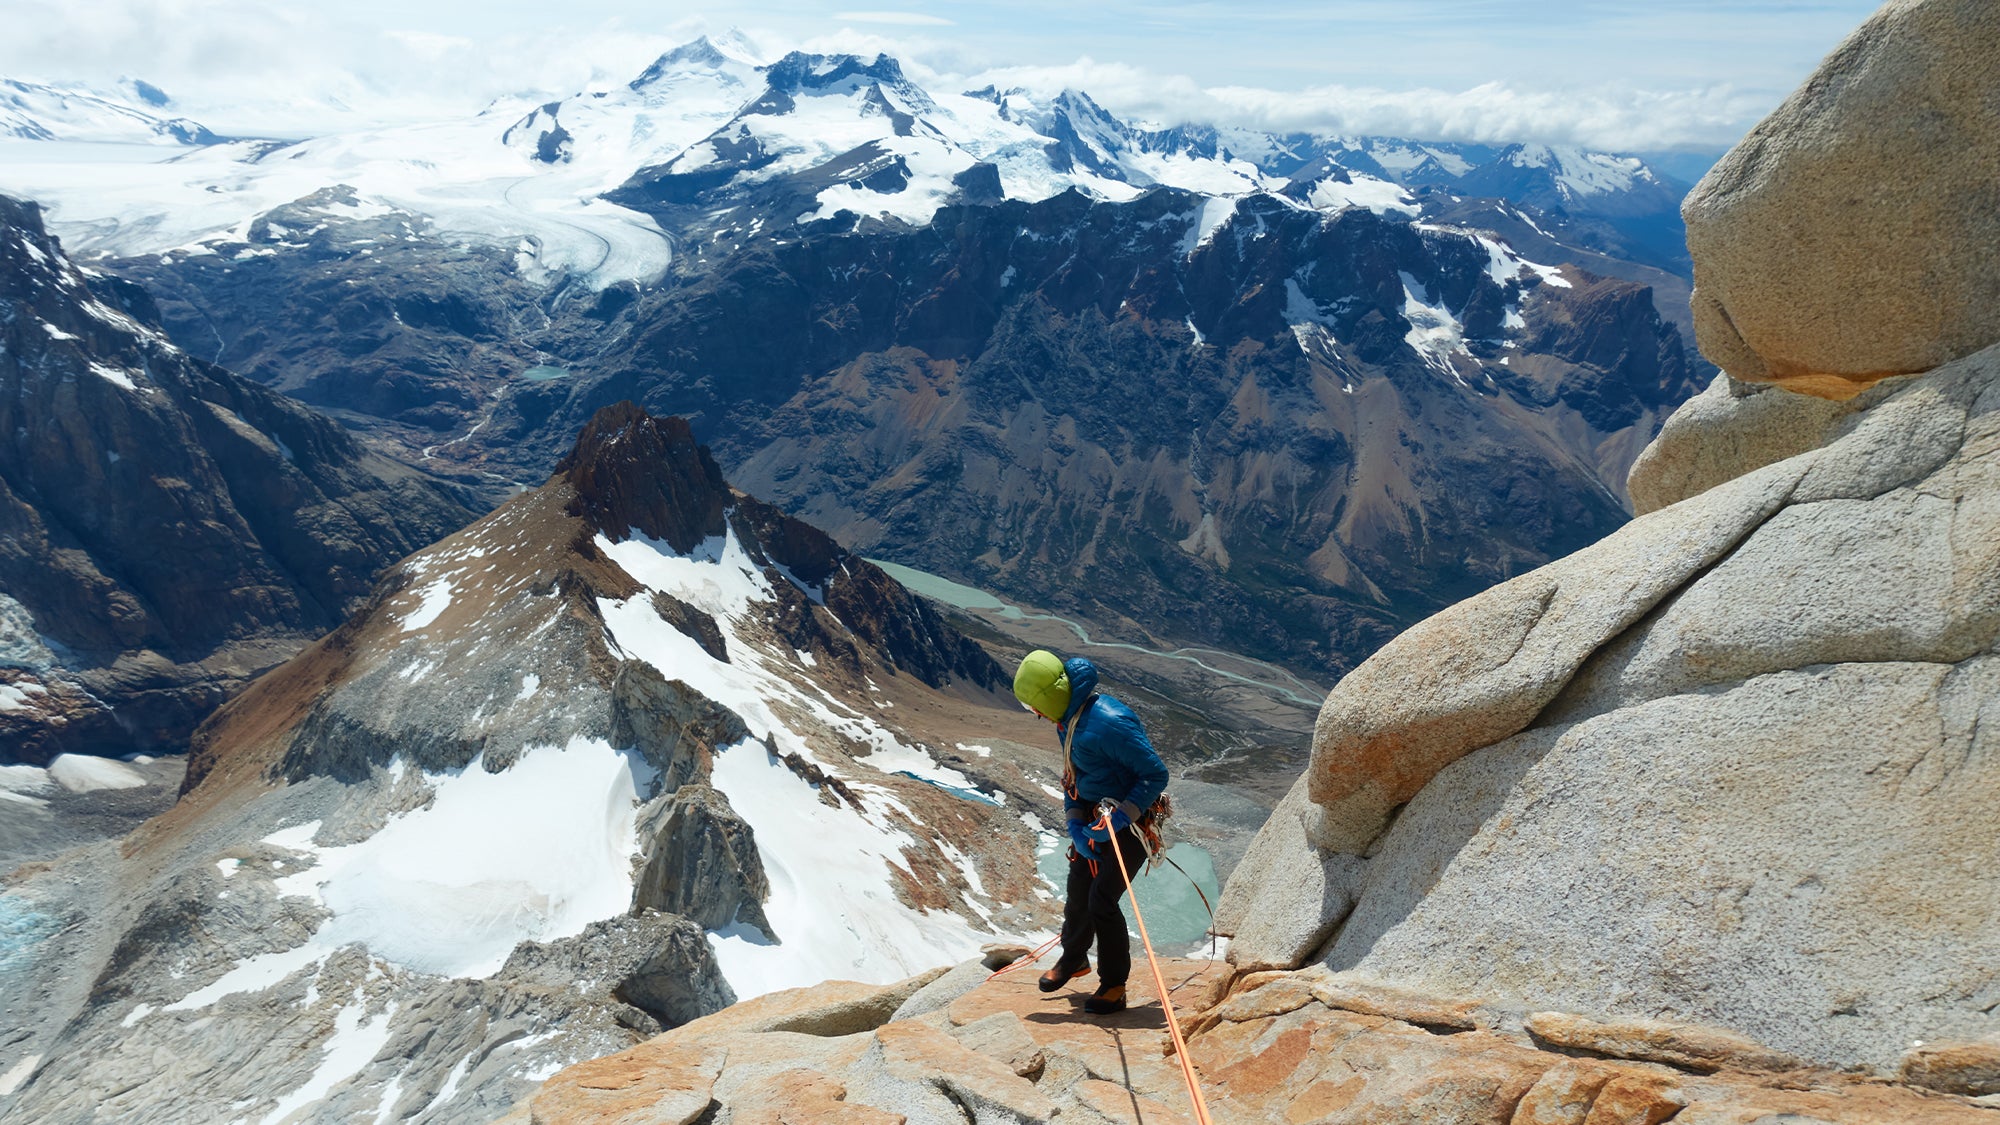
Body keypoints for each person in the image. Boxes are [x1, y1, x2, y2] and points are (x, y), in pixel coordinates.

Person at [1013, 649, 1169, 1015]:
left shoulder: (1108, 723)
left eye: (1033, 705)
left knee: (1102, 899)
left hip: (1128, 826)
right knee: (1078, 886)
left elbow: (1154, 774)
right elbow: (1075, 777)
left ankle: (1114, 985)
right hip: (1095, 817)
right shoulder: (1068, 719)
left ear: (1048, 699)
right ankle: (1074, 959)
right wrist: (1075, 822)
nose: (1034, 714)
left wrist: (1119, 819)